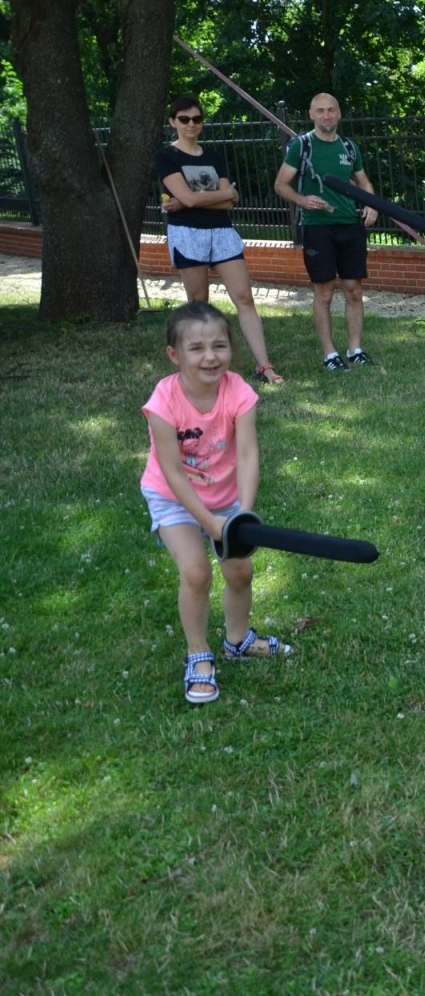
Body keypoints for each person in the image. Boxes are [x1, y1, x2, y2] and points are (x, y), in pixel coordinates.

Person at [141, 302, 292, 706]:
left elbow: (247, 455)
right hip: (173, 496)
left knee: (240, 570)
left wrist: (242, 511)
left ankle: (238, 640)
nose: (210, 356)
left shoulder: (239, 392)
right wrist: (209, 523)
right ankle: (198, 655)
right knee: (195, 573)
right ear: (174, 355)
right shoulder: (163, 401)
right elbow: (172, 471)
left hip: (224, 496)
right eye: (196, 348)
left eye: (219, 345)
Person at [156, 95, 283, 385]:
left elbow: (224, 204)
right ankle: (201, 365)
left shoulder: (213, 157)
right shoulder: (166, 156)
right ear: (173, 122)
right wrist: (220, 195)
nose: (191, 124)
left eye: (197, 119)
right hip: (188, 234)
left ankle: (264, 367)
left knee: (244, 298)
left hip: (223, 232)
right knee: (199, 302)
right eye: (184, 119)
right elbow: (202, 197)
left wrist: (193, 201)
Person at [273, 93, 380, 371]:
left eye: (331, 110)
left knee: (354, 290)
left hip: (350, 224)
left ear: (339, 113)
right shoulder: (301, 145)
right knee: (324, 293)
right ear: (311, 114)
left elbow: (364, 181)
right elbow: (281, 184)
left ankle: (355, 348)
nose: (326, 116)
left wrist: (372, 205)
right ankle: (330, 354)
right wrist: (302, 200)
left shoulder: (349, 147)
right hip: (317, 227)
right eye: (320, 111)